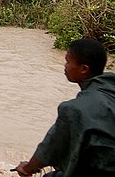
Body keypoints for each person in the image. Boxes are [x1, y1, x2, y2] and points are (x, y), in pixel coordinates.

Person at [15, 39, 115, 176]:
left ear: (84, 69)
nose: (65, 66)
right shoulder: (110, 89)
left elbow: (50, 148)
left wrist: (27, 169)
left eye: (68, 61)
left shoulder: (73, 109)